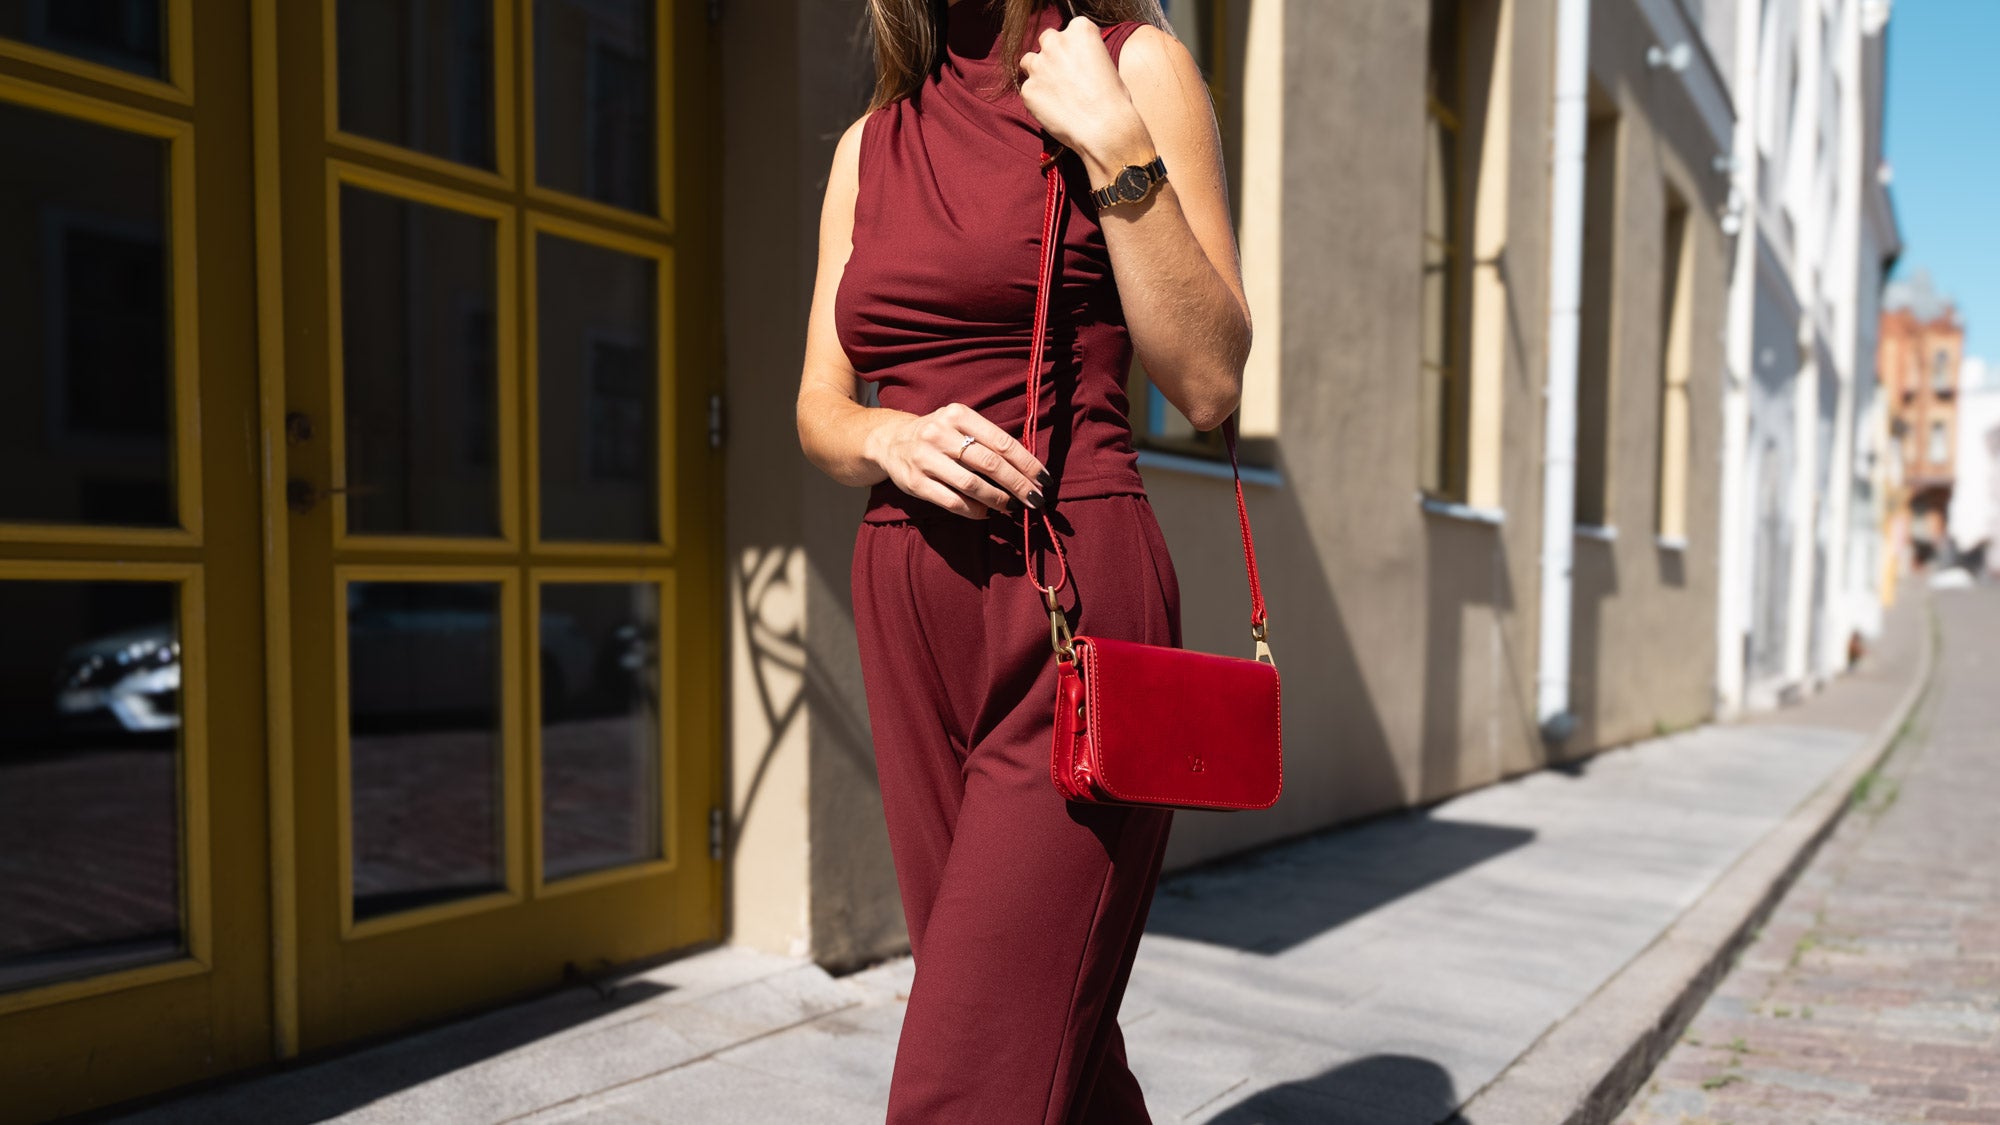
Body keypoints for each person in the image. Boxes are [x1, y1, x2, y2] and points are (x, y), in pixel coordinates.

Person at [795, 0, 1250, 1119]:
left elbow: (1206, 382)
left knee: (967, 1079)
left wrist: (1115, 145)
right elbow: (818, 406)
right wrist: (885, 436)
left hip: (1070, 601)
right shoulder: (872, 141)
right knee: (1053, 1047)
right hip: (906, 604)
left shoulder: (1133, 65)